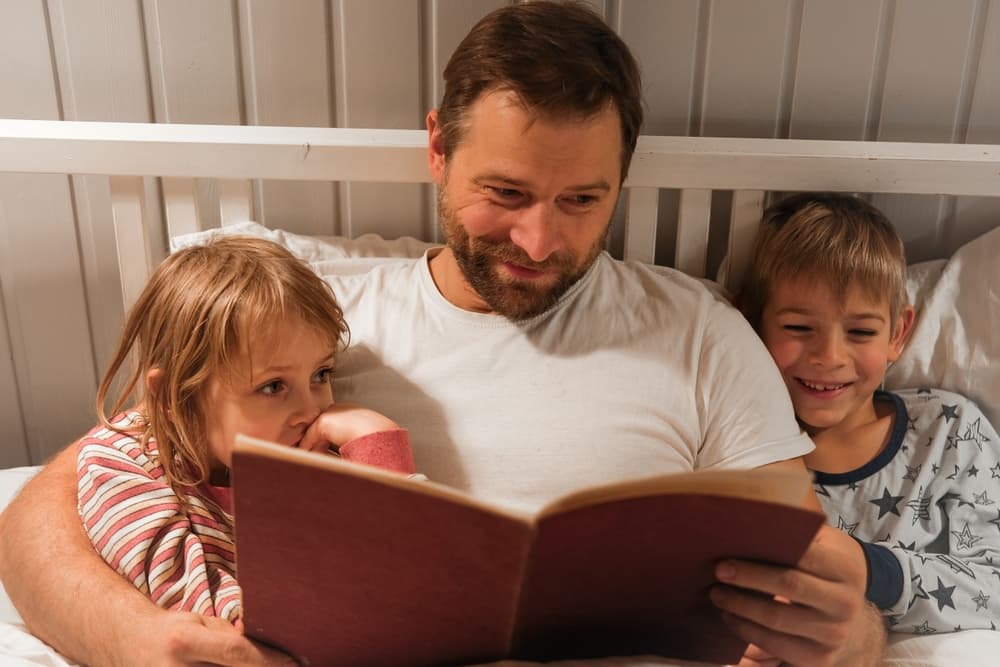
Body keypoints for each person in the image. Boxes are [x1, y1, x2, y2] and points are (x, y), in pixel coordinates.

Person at [0, 3, 883, 666]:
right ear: (436, 148)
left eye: (583, 200)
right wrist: (141, 638)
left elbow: (810, 565)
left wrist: (852, 633)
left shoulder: (701, 331)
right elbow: (48, 507)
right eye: (505, 195)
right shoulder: (309, 323)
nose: (540, 242)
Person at [76, 236, 416, 624]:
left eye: (321, 374)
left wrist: (377, 444)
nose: (311, 410)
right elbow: (213, 622)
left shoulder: (317, 454)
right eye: (273, 386)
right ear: (173, 395)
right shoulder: (121, 463)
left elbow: (416, 573)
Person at [738, 192, 1000, 635]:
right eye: (799, 328)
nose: (829, 356)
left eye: (860, 331)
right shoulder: (737, 443)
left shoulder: (947, 431)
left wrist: (870, 572)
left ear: (898, 333)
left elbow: (993, 587)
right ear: (753, 323)